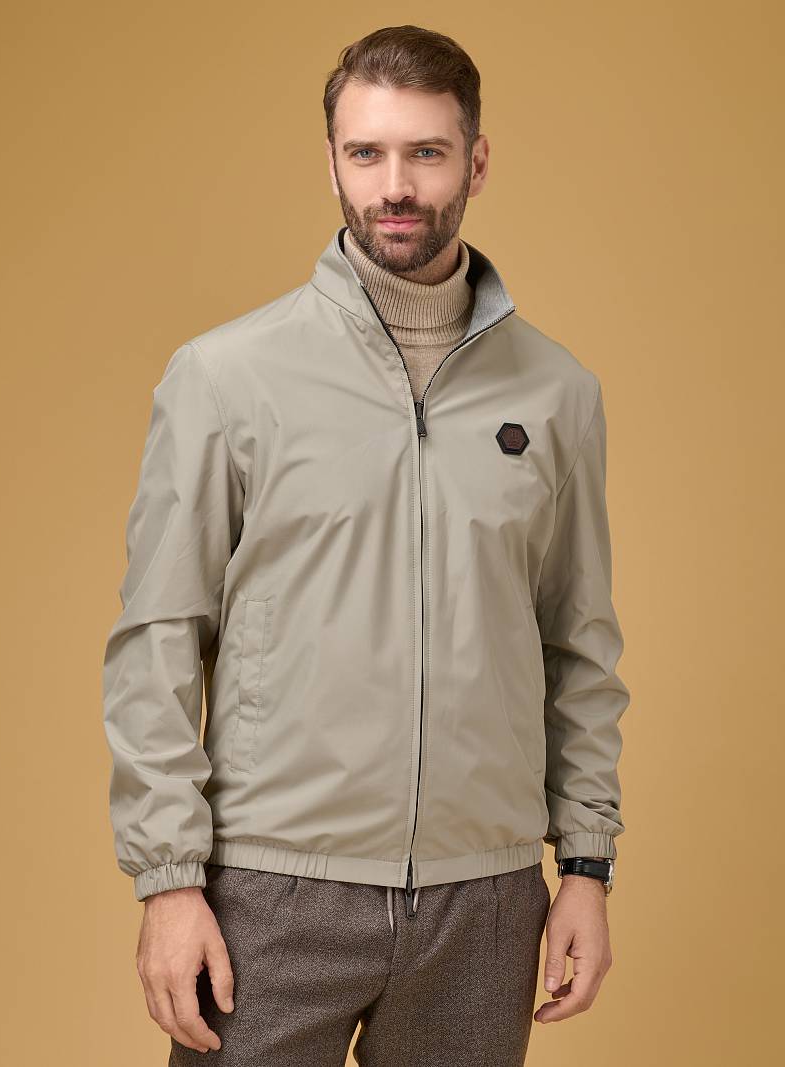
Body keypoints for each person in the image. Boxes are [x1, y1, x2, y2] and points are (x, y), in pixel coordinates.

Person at [102, 23, 630, 1067]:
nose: (395, 186)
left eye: (426, 152)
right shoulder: (226, 378)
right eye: (367, 153)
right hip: (269, 890)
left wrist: (584, 864)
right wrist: (168, 880)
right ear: (332, 161)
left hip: (482, 903)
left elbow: (577, 643)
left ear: (476, 160)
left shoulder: (555, 393)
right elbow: (157, 638)